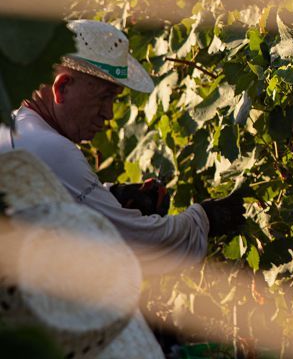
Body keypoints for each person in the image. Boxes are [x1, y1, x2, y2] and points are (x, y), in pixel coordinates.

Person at [0, 20, 244, 271]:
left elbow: (63, 201)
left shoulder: (19, 129)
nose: (108, 114)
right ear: (62, 87)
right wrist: (204, 219)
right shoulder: (51, 149)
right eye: (104, 97)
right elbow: (133, 245)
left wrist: (112, 195)